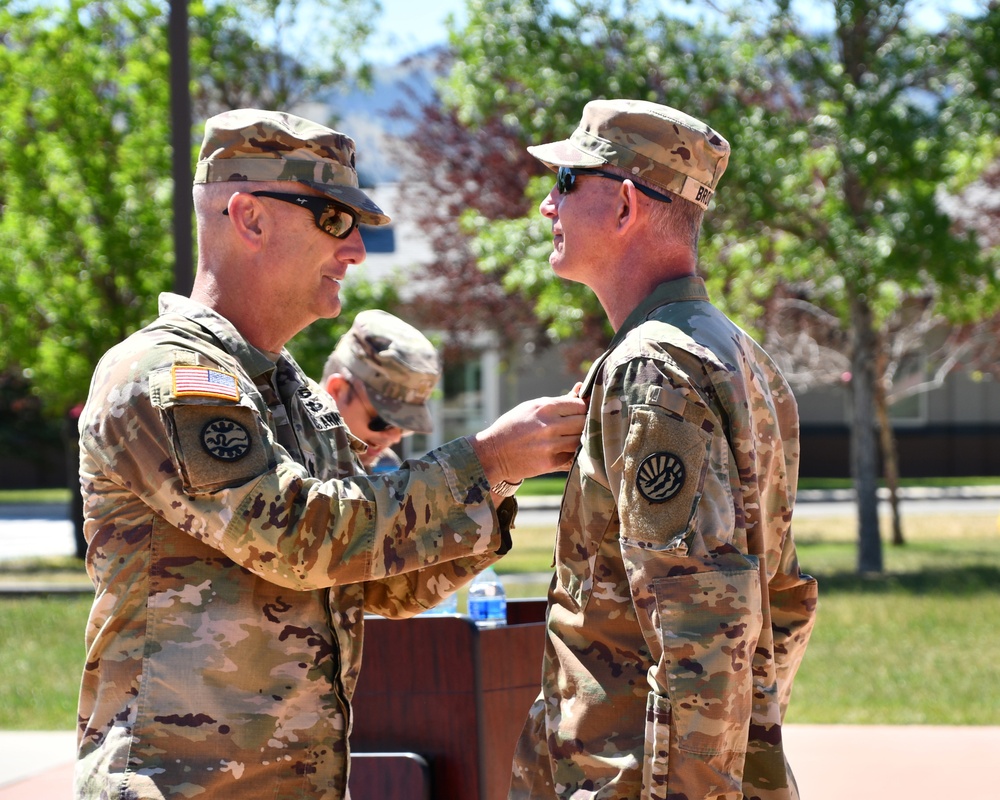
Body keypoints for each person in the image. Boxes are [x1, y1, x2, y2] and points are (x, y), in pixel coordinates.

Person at [74, 108, 586, 799]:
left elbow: (379, 583)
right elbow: (298, 536)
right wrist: (484, 463)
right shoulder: (170, 376)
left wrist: (497, 483)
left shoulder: (294, 397)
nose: (356, 251)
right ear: (250, 217)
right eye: (333, 220)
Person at [508, 99, 819, 800]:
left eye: (564, 183)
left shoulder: (656, 369)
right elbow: (783, 605)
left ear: (624, 206)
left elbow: (704, 628)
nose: (545, 208)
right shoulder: (739, 355)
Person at [320, 309, 439, 473]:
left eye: (406, 424)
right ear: (337, 389)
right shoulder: (283, 453)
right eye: (385, 420)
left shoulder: (386, 464)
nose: (395, 437)